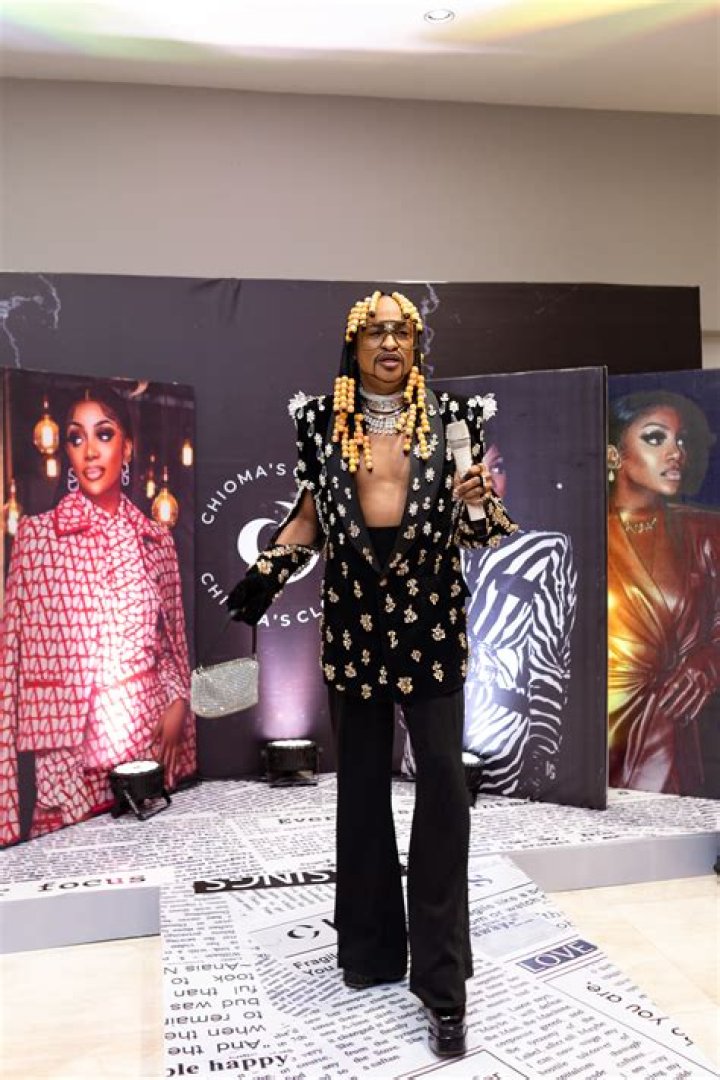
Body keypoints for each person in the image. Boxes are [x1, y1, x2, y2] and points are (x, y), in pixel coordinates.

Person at [228, 289, 517, 1058]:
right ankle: (370, 951)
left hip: (430, 622)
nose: (390, 342)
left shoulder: (455, 418)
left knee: (443, 795)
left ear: (417, 345)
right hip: (354, 624)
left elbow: (480, 530)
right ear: (353, 346)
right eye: (375, 331)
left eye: (403, 331)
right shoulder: (321, 421)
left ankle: (444, 987)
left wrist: (477, 501)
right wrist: (261, 581)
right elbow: (309, 518)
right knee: (359, 791)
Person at [0, 385, 196, 845]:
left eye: (103, 434)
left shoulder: (156, 541)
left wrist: (178, 700)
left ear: (126, 448)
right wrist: (4, 816)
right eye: (76, 437)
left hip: (147, 744)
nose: (89, 450)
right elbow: (7, 670)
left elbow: (172, 650)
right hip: (66, 763)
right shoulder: (37, 538)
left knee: (153, 865)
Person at [402, 442, 577, 798]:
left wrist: (542, 752)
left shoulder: (544, 552)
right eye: (469, 467)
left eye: (497, 467)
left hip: (506, 740)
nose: (485, 479)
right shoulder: (423, 548)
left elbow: (550, 663)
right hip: (428, 732)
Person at [607, 389, 719, 797]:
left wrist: (708, 664)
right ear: (613, 455)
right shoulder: (577, 532)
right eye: (656, 438)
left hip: (673, 730)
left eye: (681, 440)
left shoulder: (705, 532)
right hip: (591, 733)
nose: (676, 453)